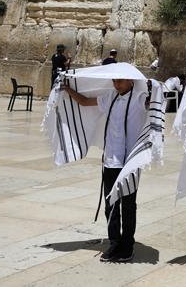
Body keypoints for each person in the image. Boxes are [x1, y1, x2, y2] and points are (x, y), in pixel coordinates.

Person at [63, 75, 147, 262]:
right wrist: (67, 89)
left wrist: (156, 86)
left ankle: (127, 245)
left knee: (128, 205)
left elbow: (157, 101)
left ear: (131, 81)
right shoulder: (110, 97)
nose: (116, 84)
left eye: (120, 81)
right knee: (111, 205)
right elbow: (85, 102)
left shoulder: (140, 98)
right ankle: (114, 243)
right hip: (111, 159)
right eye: (114, 81)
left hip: (130, 162)